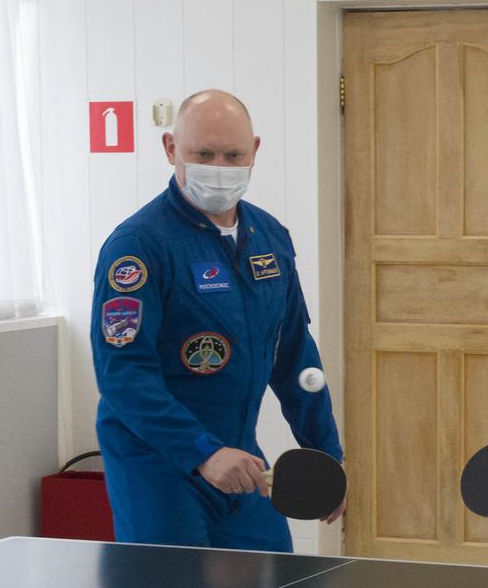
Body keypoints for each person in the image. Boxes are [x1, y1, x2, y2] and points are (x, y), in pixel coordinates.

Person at [90, 89, 344, 552]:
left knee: (273, 586)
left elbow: (294, 357)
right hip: (158, 464)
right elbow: (123, 375)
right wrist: (202, 452)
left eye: (233, 155)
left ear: (255, 151)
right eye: (204, 154)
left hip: (238, 456)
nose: (220, 167)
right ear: (171, 148)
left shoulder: (269, 237)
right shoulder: (138, 247)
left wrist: (326, 455)